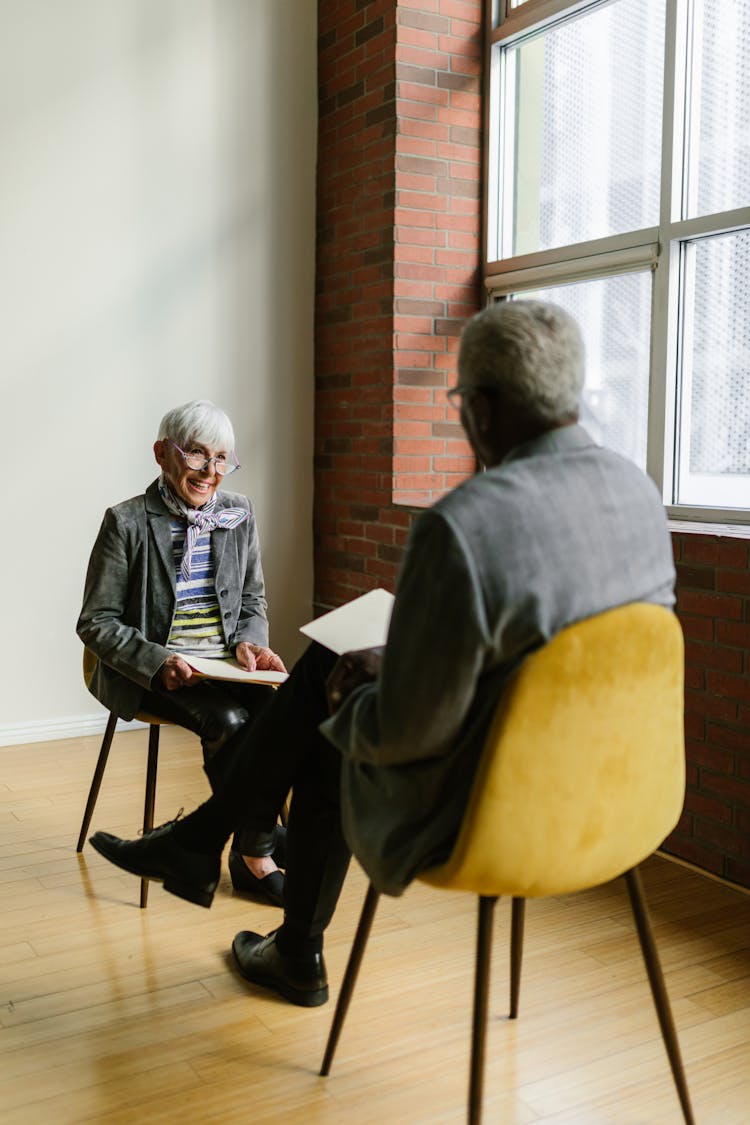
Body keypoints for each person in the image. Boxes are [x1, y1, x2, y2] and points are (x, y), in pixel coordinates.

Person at [89, 301, 677, 1008]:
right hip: (626, 802)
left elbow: (401, 733)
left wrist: (349, 695)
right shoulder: (642, 495)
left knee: (327, 724)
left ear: (482, 409)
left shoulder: (465, 523)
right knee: (323, 680)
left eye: (459, 402)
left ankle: (278, 926)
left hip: (486, 812)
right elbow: (542, 667)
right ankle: (229, 862)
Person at [78, 399, 288, 907]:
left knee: (282, 715)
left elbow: (253, 598)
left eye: (221, 458)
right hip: (153, 671)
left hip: (226, 666)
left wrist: (250, 643)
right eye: (196, 454)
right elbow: (96, 622)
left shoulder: (238, 513)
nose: (209, 471)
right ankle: (258, 857)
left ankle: (229, 850)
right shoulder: (126, 522)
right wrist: (158, 662)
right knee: (233, 722)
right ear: (163, 454)